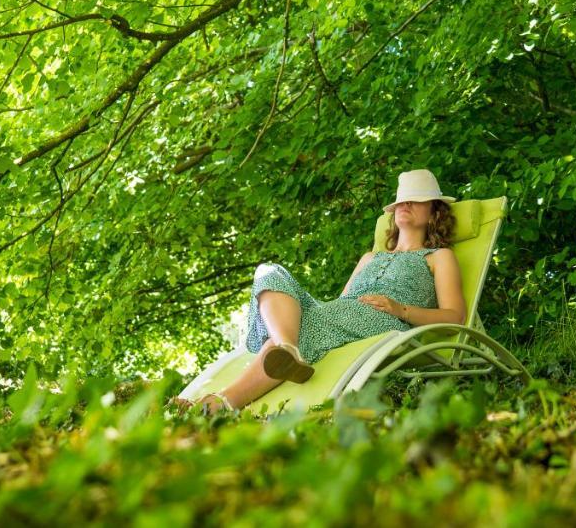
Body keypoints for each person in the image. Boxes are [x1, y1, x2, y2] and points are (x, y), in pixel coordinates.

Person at [178, 169, 468, 415]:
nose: (405, 205)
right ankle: (287, 349)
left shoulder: (438, 257)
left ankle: (220, 402)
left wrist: (401, 309)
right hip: (342, 313)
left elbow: (455, 317)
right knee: (269, 272)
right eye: (401, 200)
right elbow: (342, 301)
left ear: (434, 212)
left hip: (382, 321)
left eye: (415, 201)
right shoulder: (370, 257)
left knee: (307, 323)